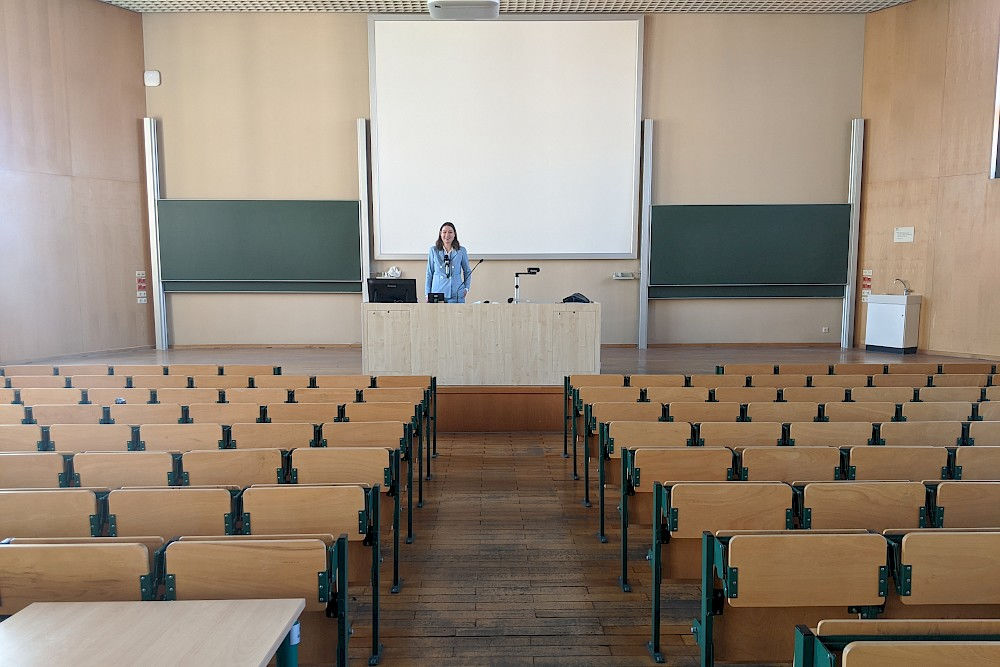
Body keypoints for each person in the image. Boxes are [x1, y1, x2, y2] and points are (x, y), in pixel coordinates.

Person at [425, 222, 471, 303]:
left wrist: (466, 288)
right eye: (444, 232)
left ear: (454, 234)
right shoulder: (433, 250)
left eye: (450, 232)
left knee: (457, 315)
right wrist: (427, 293)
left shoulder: (461, 250)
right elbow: (429, 273)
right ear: (440, 234)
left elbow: (467, 271)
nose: (447, 235)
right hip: (438, 292)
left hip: (456, 292)